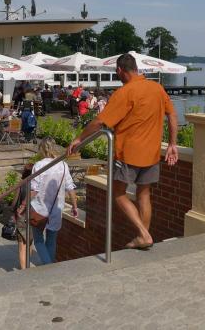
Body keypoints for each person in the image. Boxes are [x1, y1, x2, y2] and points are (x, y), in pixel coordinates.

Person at [68, 53, 178, 251]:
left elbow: (100, 122)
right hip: (152, 152)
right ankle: (143, 237)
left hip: (128, 153)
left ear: (119, 70)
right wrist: (172, 144)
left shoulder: (124, 92)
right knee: (144, 194)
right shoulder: (157, 88)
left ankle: (143, 234)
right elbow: (172, 115)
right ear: (136, 68)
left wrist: (79, 138)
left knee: (118, 193)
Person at [20, 137, 77, 264]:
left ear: (42, 148)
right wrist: (74, 206)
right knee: (51, 241)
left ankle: (48, 265)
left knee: (38, 240)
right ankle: (50, 267)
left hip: (39, 209)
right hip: (56, 210)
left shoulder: (39, 165)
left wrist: (23, 205)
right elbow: (70, 187)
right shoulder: (63, 165)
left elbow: (34, 190)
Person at [14, 163, 34, 268]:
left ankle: (24, 270)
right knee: (29, 242)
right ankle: (27, 265)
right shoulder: (36, 185)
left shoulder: (21, 184)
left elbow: (14, 202)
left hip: (21, 215)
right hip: (33, 216)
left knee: (22, 245)